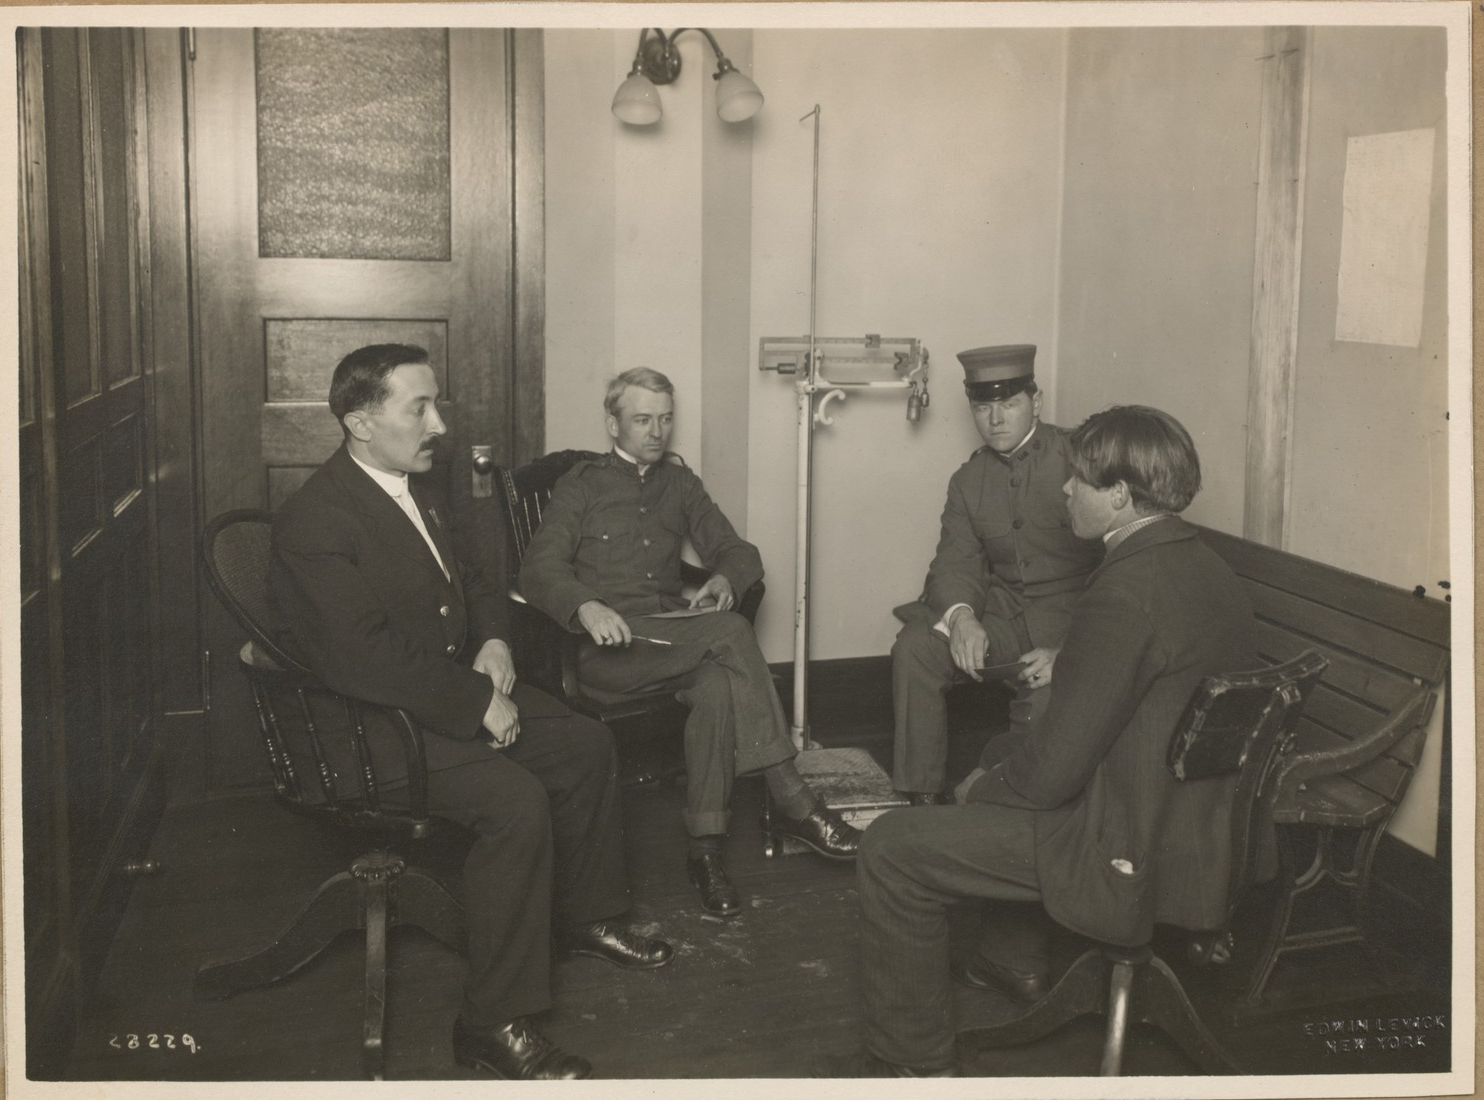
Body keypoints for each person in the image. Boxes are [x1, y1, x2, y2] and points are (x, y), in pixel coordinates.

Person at [268, 344, 673, 1082]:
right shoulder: (315, 521)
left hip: (433, 692)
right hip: (363, 727)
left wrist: (491, 640)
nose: (439, 424)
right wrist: (476, 701)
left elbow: (483, 578)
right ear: (360, 422)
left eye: (437, 404)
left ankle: (585, 916)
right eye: (417, 408)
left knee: (583, 744)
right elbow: (363, 660)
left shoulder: (418, 487)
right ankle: (492, 1023)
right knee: (513, 801)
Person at [835, 405, 1259, 1077]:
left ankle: (913, 1067)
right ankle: (1010, 956)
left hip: (1127, 842)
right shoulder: (1202, 566)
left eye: (1080, 481)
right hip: (1201, 829)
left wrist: (978, 791)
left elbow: (1051, 777)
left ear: (1119, 496)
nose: (1065, 491)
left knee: (893, 847)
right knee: (1000, 753)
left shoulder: (1125, 589)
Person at [518, 367, 861, 918]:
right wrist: (585, 604)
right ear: (613, 423)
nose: (656, 432)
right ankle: (797, 803)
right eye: (641, 419)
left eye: (665, 419)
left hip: (673, 638)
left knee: (719, 685)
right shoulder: (580, 485)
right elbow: (538, 571)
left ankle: (705, 852)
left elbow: (739, 550)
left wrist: (725, 576)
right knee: (730, 633)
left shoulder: (679, 483)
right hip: (608, 651)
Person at [891, 344, 1102, 804]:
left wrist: (1070, 651)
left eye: (1009, 404)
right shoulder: (968, 481)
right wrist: (963, 617)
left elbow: (1121, 571)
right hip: (1002, 623)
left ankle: (1002, 809)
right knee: (917, 647)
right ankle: (920, 799)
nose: (996, 419)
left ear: (1037, 402)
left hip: (1072, 630)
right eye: (983, 407)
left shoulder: (1082, 459)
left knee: (1049, 704)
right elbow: (953, 561)